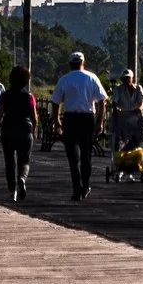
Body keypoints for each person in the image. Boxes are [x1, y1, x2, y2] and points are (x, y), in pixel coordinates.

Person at [53, 50, 107, 201]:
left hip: (70, 118)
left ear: (70, 64)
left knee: (73, 157)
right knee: (86, 154)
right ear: (83, 63)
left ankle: (76, 188)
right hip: (87, 118)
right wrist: (100, 121)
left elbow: (56, 102)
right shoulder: (92, 78)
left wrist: (57, 121)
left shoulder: (64, 79)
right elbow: (102, 100)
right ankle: (86, 184)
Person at [0, 64, 37, 203]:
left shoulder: (5, 95)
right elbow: (34, 117)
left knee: (9, 161)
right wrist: (34, 130)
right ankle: (22, 178)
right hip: (25, 130)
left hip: (8, 130)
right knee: (24, 160)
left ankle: (12, 191)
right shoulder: (29, 96)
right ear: (26, 80)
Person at [111, 68, 143, 178]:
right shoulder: (118, 89)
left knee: (137, 142)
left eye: (128, 78)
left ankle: (134, 165)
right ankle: (120, 167)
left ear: (132, 78)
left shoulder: (138, 89)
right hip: (122, 119)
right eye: (125, 78)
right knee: (119, 142)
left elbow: (142, 101)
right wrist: (117, 108)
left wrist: (139, 108)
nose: (126, 80)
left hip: (136, 119)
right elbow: (115, 102)